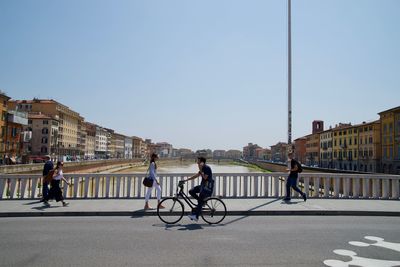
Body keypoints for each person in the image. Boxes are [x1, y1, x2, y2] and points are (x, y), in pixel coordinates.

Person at [183, 157, 214, 222]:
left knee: (199, 201)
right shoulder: (202, 169)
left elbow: (205, 177)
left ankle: (196, 217)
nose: (197, 163)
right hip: (202, 186)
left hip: (207, 188)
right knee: (191, 191)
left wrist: (200, 170)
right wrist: (186, 180)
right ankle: (202, 202)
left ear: (202, 162)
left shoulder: (206, 168)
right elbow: (196, 176)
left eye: (199, 162)